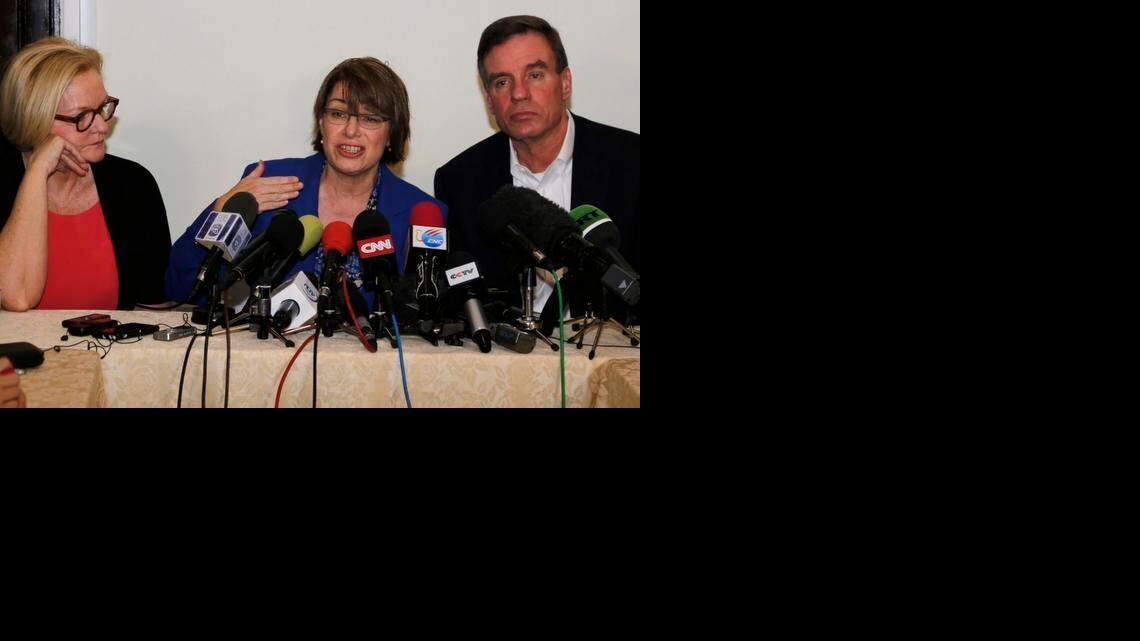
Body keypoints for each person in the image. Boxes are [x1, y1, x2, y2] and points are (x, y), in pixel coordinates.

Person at [165, 57, 445, 310]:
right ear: (321, 123)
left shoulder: (421, 214)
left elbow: (427, 314)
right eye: (338, 114)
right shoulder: (270, 185)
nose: (350, 130)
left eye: (370, 119)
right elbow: (182, 287)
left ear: (392, 133)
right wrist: (222, 208)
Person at [434, 15, 640, 321]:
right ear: (490, 101)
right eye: (502, 82)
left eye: (535, 75)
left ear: (565, 82)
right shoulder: (460, 181)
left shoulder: (632, 163)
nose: (519, 94)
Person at [0, 37, 172, 311]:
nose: (102, 127)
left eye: (103, 108)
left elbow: (153, 308)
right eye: (82, 116)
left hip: (111, 354)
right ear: (35, 120)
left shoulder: (132, 185)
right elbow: (16, 297)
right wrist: (37, 172)